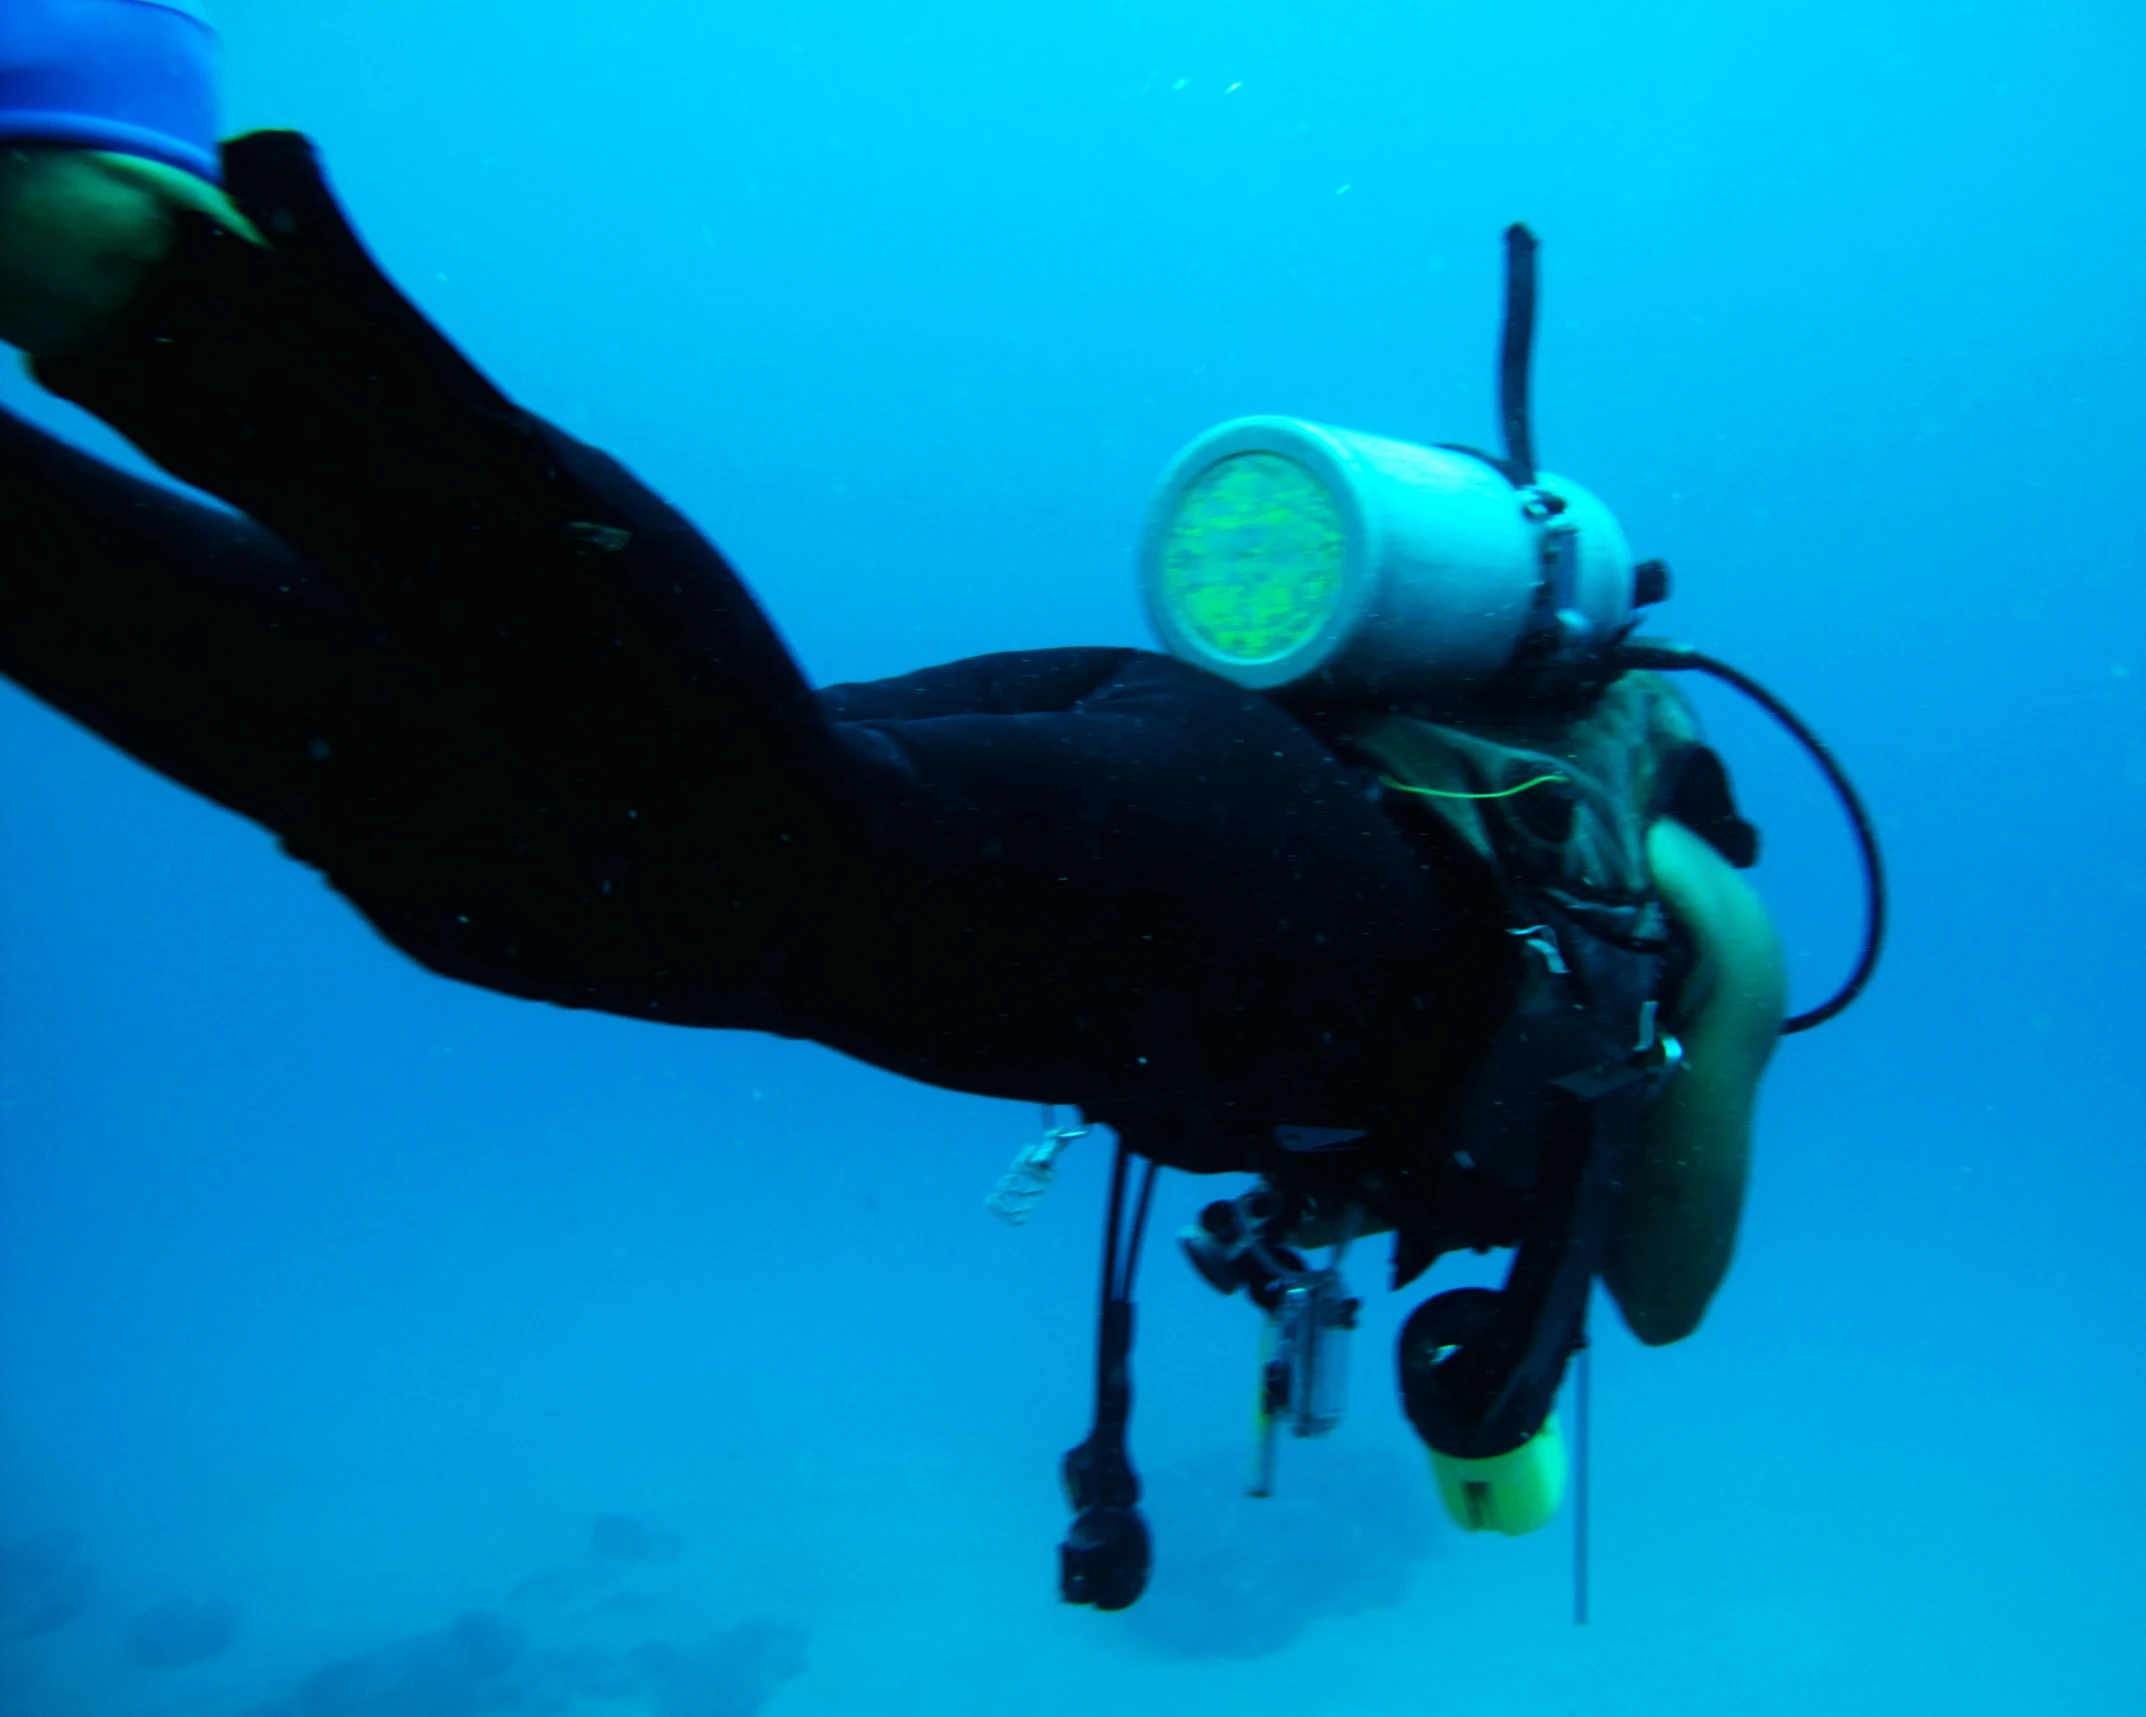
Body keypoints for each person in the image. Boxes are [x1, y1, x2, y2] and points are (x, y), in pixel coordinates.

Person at [2, 3, 1805, 1609]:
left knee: (571, 842)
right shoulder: (1692, 903)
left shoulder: (1503, 791)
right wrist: (1716, 1024)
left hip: (1176, 739)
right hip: (1278, 893)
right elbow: (1661, 1293)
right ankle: (150, 281)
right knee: (732, 847)